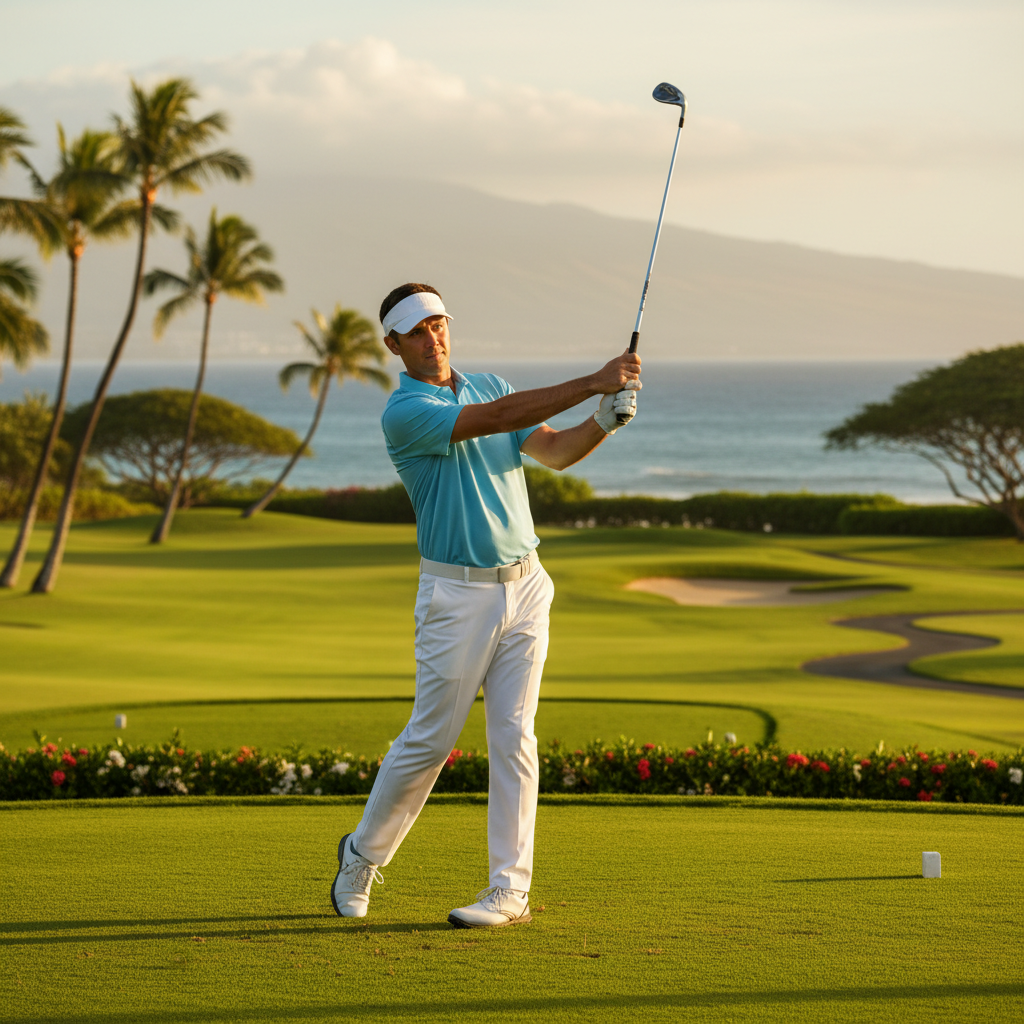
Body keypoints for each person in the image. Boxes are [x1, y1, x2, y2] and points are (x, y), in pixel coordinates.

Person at [331, 282, 641, 928]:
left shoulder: (489, 383)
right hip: (456, 596)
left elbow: (553, 451)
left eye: (439, 324)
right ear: (393, 345)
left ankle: (509, 891)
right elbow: (495, 421)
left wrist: (605, 420)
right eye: (417, 331)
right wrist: (594, 380)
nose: (433, 338)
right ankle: (362, 854)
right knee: (430, 739)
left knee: (514, 736)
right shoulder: (404, 413)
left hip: (527, 586)